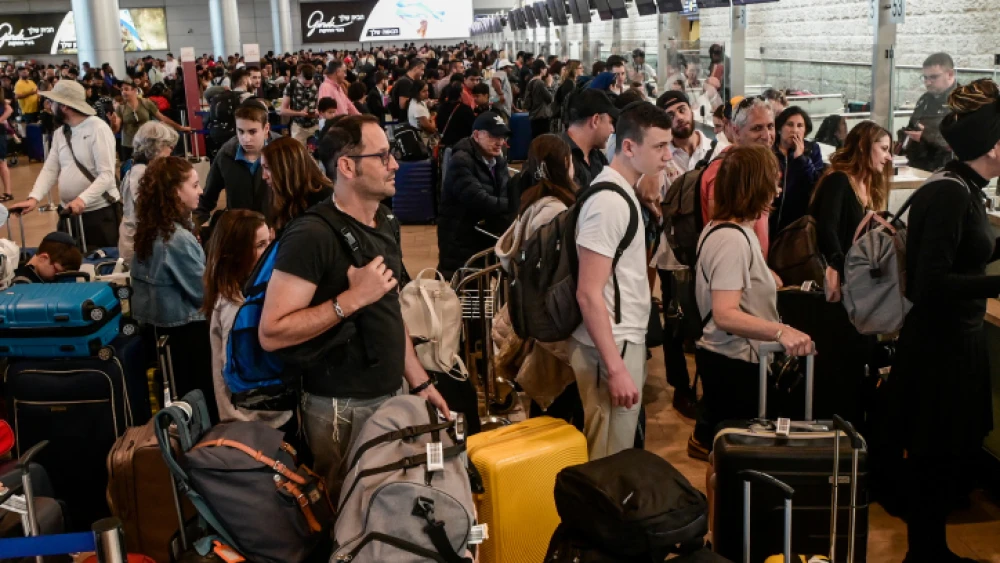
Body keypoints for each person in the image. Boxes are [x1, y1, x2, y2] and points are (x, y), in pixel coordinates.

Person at [258, 114, 449, 495]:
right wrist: (351, 299)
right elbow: (272, 332)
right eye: (382, 156)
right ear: (347, 166)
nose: (395, 164)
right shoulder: (312, 235)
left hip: (390, 393)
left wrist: (419, 380)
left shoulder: (387, 222)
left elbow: (390, 310)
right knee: (346, 512)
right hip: (339, 408)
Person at [891, 78, 1000, 563]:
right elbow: (927, 285)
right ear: (992, 147)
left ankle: (931, 551)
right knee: (934, 457)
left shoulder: (968, 188)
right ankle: (925, 553)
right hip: (940, 349)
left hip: (959, 342)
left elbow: (971, 254)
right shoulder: (951, 194)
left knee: (948, 455)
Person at [687, 144, 814, 460]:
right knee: (736, 458)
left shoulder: (724, 230)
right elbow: (725, 314)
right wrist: (781, 332)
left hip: (725, 358)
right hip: (734, 363)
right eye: (773, 181)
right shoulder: (732, 239)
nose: (778, 189)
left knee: (724, 455)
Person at [569, 102, 667, 460]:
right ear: (629, 147)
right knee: (608, 458)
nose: (667, 156)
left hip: (621, 340)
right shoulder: (609, 203)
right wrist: (615, 368)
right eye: (658, 147)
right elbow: (588, 293)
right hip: (611, 344)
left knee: (617, 449)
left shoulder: (622, 193)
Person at [494, 134, 583, 430]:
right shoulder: (554, 210)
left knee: (551, 402)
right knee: (557, 402)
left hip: (536, 313)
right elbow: (552, 270)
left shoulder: (534, 200)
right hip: (551, 319)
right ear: (563, 164)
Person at [131, 156, 217, 423]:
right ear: (175, 192)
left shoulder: (150, 229)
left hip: (158, 333)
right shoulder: (177, 239)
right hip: (186, 338)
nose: (201, 190)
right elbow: (205, 294)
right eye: (195, 184)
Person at [203, 209, 289, 426]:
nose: (270, 251)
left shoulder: (250, 292)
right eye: (261, 245)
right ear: (237, 253)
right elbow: (240, 372)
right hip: (253, 422)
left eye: (270, 241)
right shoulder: (235, 304)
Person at [11, 80, 120, 250]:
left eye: (52, 102)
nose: (49, 105)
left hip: (98, 213)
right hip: (68, 214)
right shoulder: (61, 133)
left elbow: (106, 175)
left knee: (98, 264)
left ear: (65, 107)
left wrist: (82, 199)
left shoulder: (98, 129)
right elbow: (50, 169)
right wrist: (34, 198)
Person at [437, 111, 514, 280]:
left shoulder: (498, 160)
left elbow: (507, 190)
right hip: (460, 240)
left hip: (485, 237)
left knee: (480, 293)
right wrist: (513, 204)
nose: (500, 142)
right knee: (456, 293)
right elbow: (479, 200)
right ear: (477, 135)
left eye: (502, 137)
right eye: (494, 136)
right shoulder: (461, 160)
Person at [700, 97, 775, 259]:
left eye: (770, 126)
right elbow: (722, 232)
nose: (767, 135)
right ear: (736, 131)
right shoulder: (724, 170)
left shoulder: (756, 167)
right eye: (757, 128)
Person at [195, 102, 273, 226]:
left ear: (266, 129)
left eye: (252, 132)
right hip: (239, 230)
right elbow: (207, 197)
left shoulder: (284, 152)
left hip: (275, 231)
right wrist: (193, 226)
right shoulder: (225, 155)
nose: (246, 139)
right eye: (241, 131)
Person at [120, 121, 180, 263]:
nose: (171, 151)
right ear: (156, 146)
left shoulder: (135, 167)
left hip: (139, 240)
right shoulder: (141, 174)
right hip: (138, 244)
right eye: (168, 146)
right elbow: (149, 210)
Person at [770, 106, 825, 238]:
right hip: (771, 217)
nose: (794, 130)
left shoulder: (812, 150)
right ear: (779, 128)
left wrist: (801, 159)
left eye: (800, 126)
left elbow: (816, 183)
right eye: (789, 125)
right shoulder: (770, 150)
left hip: (798, 222)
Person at [261, 136, 334, 233]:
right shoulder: (281, 193)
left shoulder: (325, 199)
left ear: (287, 168)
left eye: (267, 168)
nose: (264, 176)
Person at [901, 52, 958, 172]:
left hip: (947, 169)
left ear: (950, 74)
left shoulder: (962, 101)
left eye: (933, 77)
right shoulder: (925, 99)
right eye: (925, 77)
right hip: (919, 165)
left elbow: (964, 142)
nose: (927, 82)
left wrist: (926, 136)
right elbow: (913, 126)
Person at [110, 81, 190, 161]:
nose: (123, 92)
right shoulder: (120, 108)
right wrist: (113, 123)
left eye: (126, 89)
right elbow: (116, 128)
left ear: (134, 90)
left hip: (146, 144)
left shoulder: (146, 103)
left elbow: (162, 118)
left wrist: (180, 128)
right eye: (122, 90)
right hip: (128, 146)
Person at [561, 90, 617, 190]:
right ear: (595, 120)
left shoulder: (597, 157)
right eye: (610, 122)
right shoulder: (558, 157)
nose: (612, 129)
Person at [11, 232, 83, 283]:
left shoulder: (43, 275)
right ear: (43, 258)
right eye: (56, 270)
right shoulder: (21, 283)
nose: (58, 276)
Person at [279, 63, 320, 145]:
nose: (307, 85)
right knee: (299, 155)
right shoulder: (291, 86)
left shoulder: (317, 85)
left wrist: (318, 112)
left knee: (315, 154)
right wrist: (299, 113)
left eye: (310, 83)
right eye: (304, 83)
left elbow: (321, 106)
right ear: (299, 75)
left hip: (315, 126)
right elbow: (283, 111)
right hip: (298, 127)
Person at [525, 60, 554, 139]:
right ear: (541, 69)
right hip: (542, 118)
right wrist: (549, 85)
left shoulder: (531, 82)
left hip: (534, 117)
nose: (546, 70)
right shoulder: (540, 83)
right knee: (543, 143)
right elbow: (550, 98)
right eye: (545, 68)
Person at [0, 89, 11, 201]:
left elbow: (10, 110)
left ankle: (8, 192)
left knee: (2, 163)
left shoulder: (2, 102)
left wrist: (1, 119)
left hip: (0, 134)